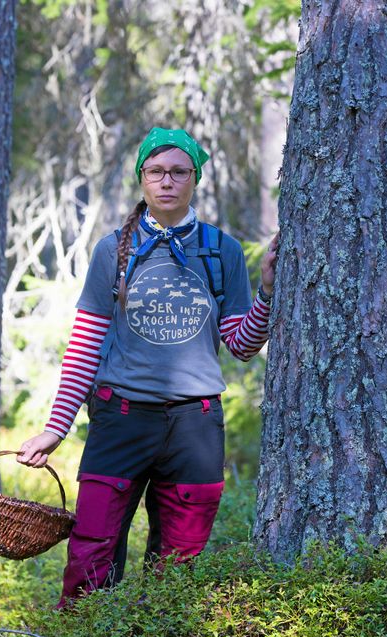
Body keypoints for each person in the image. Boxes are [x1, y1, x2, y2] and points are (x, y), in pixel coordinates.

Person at [17, 127, 278, 608]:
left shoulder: (222, 251)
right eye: (156, 171)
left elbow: (242, 344)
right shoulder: (112, 249)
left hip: (194, 424)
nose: (167, 181)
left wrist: (265, 291)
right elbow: (85, 347)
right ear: (141, 178)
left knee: (179, 562)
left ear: (194, 178)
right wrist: (55, 430)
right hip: (119, 418)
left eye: (179, 172)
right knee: (92, 550)